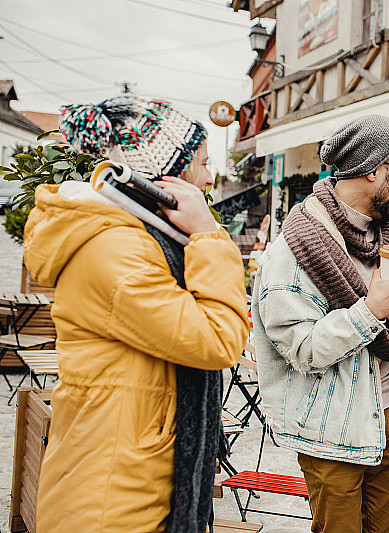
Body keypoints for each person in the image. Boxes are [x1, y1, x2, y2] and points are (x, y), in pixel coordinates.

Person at [23, 94, 250, 532]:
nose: (209, 176)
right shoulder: (115, 249)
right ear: (167, 179)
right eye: (202, 162)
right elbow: (217, 340)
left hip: (133, 476)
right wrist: (209, 235)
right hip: (111, 498)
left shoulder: (142, 239)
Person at [251, 114, 389, 533]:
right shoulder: (295, 248)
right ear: (373, 169)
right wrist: (371, 311)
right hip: (331, 431)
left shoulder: (386, 236)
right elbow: (302, 349)